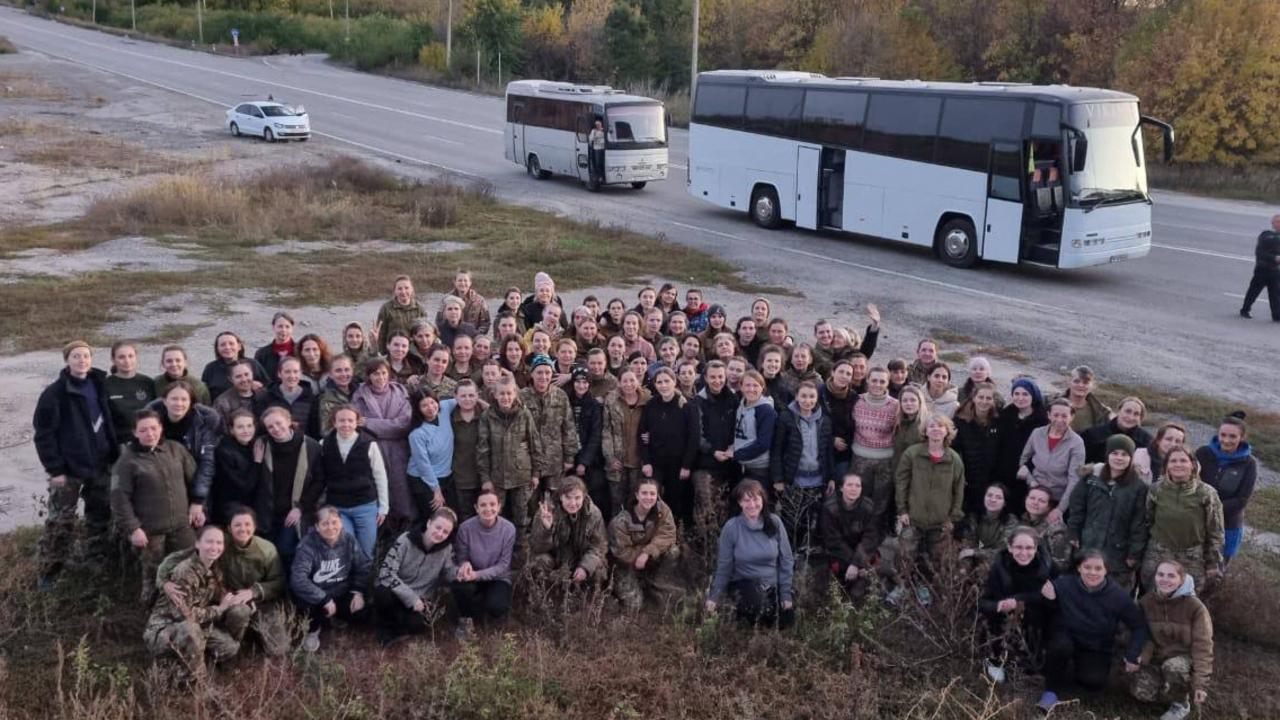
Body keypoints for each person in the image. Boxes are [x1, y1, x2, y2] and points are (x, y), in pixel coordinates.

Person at [33, 341, 120, 586]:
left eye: (86, 355)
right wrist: (55, 469)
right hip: (68, 470)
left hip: (100, 465)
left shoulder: (99, 384)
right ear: (67, 360)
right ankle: (50, 570)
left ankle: (96, 561)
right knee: (61, 521)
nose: (82, 360)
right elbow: (43, 434)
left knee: (99, 515)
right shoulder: (55, 393)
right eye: (75, 356)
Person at [157, 507, 290, 657]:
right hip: (231, 599)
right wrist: (164, 582)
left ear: (255, 527)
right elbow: (172, 560)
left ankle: (253, 631)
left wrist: (254, 592)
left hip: (261, 602)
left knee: (279, 649)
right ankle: (230, 648)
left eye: (247, 524)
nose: (243, 529)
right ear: (229, 528)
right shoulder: (219, 543)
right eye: (237, 525)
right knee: (239, 612)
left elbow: (279, 582)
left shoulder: (267, 549)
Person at [1037, 550, 1148, 712]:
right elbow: (1043, 609)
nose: (1092, 572)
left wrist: (1133, 654)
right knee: (1060, 646)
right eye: (1087, 567)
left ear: (1106, 570)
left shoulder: (1118, 595)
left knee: (1093, 682)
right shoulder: (1064, 584)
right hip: (1067, 638)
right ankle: (1051, 690)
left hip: (1096, 646)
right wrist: (1049, 599)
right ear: (1078, 568)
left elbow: (1139, 625)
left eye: (1098, 568)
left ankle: (1069, 671)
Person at [111, 410, 197, 603]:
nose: (149, 433)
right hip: (150, 532)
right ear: (135, 432)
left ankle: (187, 607)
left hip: (182, 526)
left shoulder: (176, 449)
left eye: (153, 428)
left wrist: (198, 505)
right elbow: (119, 499)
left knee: (189, 568)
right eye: (143, 430)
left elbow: (195, 481)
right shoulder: (126, 461)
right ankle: (149, 610)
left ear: (161, 428)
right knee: (153, 576)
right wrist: (133, 529)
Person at [144, 525, 245, 675]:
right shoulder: (184, 572)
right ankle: (196, 682)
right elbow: (186, 615)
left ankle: (199, 658)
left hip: (198, 626)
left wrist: (236, 599)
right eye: (209, 542)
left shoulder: (214, 569)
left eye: (219, 543)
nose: (214, 547)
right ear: (198, 544)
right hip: (167, 629)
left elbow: (219, 594)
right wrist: (220, 609)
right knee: (190, 630)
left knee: (230, 648)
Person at [892, 412, 965, 606]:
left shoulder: (954, 459)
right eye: (931, 426)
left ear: (947, 432)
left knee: (933, 558)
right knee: (905, 553)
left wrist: (953, 517)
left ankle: (923, 587)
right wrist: (902, 510)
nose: (936, 429)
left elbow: (959, 490)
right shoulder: (913, 453)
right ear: (925, 430)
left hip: (940, 521)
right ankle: (902, 585)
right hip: (913, 518)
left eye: (940, 426)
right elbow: (901, 482)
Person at [300, 405, 389, 559]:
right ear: (334, 422)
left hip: (365, 505)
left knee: (367, 552)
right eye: (341, 420)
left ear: (357, 422)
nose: (346, 424)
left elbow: (380, 476)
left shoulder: (369, 444)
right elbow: (320, 478)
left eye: (350, 420)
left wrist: (383, 507)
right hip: (338, 507)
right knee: (347, 550)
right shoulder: (324, 444)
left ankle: (364, 582)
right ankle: (346, 582)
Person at [705, 479, 795, 629]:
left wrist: (785, 593)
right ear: (740, 503)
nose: (752, 505)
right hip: (744, 583)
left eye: (755, 499)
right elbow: (724, 565)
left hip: (772, 584)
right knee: (760, 608)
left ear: (763, 500)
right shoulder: (732, 527)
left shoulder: (775, 522)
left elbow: (786, 559)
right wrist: (714, 597)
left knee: (787, 620)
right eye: (746, 500)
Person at [1130, 561, 1214, 720]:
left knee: (1173, 668)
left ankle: (1181, 704)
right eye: (1160, 574)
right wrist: (1143, 656)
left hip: (1184, 658)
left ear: (1181, 580)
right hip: (1158, 655)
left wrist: (1201, 684)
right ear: (1155, 577)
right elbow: (1143, 634)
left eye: (1171, 576)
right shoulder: (1146, 602)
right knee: (1141, 693)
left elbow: (1203, 647)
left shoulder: (1196, 607)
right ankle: (1168, 686)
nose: (1165, 579)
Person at [1066, 435, 1148, 590]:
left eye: (1124, 455)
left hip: (1118, 554)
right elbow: (1077, 508)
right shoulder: (1090, 479)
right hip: (1090, 545)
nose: (1119, 458)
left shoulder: (1138, 487)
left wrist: (1134, 554)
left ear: (1131, 458)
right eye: (1115, 453)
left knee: (1114, 595)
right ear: (1107, 455)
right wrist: (1074, 533)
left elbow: (1139, 523)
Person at [978, 527, 1054, 685]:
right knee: (990, 615)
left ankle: (1036, 657)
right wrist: (999, 605)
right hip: (1006, 619)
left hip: (1038, 620)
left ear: (1036, 548)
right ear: (1010, 548)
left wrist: (1019, 600)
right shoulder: (999, 568)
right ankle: (994, 660)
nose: (1024, 553)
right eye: (1019, 547)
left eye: (1029, 548)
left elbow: (1057, 596)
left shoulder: (1047, 566)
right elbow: (984, 602)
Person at [291, 506, 372, 653]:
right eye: (325, 524)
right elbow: (298, 579)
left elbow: (362, 566)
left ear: (341, 523)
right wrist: (324, 598)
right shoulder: (307, 545)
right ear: (317, 527)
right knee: (307, 607)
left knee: (362, 612)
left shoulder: (349, 540)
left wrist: (358, 592)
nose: (331, 527)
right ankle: (313, 630)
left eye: (334, 522)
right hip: (317, 596)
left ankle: (335, 617)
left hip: (341, 590)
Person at [1143, 446, 1225, 589]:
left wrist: (1213, 563)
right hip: (1158, 554)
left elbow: (1216, 532)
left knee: (1187, 598)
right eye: (1173, 461)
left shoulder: (1207, 493)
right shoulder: (1156, 489)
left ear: (1192, 464)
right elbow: (1147, 520)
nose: (1178, 464)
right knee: (1153, 594)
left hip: (1192, 557)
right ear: (1167, 465)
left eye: (1183, 460)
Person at [374, 508, 458, 645]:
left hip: (422, 600)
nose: (440, 533)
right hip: (399, 593)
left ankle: (398, 626)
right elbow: (386, 573)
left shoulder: (446, 549)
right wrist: (411, 598)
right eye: (438, 527)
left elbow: (448, 572)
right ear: (429, 523)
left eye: (445, 532)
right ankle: (386, 629)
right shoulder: (405, 540)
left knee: (418, 625)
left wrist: (459, 573)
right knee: (381, 593)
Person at [771, 381, 834, 557]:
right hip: (794, 479)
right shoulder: (786, 417)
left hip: (817, 479)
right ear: (797, 397)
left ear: (817, 398)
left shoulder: (824, 419)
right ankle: (786, 552)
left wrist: (831, 477)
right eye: (804, 396)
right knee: (791, 519)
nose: (808, 400)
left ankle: (801, 552)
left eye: (812, 396)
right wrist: (778, 479)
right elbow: (777, 450)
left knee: (809, 518)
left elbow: (828, 451)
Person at [145, 381, 221, 526]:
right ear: (164, 401)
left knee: (195, 526)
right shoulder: (150, 423)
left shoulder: (204, 422)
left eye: (184, 399)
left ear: (191, 402)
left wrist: (199, 501)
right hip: (159, 485)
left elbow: (206, 464)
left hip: (194, 481)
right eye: (174, 399)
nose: (179, 403)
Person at [350, 358, 414, 529]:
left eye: (383, 373)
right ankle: (381, 530)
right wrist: (388, 425)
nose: (380, 377)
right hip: (372, 450)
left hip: (398, 451)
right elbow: (356, 424)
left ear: (389, 374)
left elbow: (403, 424)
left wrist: (370, 423)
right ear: (369, 376)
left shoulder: (400, 392)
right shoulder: (360, 396)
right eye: (375, 373)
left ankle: (403, 528)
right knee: (377, 488)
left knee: (400, 490)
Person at [477, 376, 543, 540]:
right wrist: (485, 478)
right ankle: (496, 547)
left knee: (521, 515)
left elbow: (534, 443)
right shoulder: (487, 416)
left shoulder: (524, 414)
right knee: (495, 514)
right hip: (496, 476)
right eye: (502, 394)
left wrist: (536, 473)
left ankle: (520, 550)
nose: (505, 397)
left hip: (522, 475)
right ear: (495, 395)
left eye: (509, 393)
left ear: (515, 394)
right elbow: (482, 449)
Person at [609, 477, 684, 611]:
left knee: (673, 551)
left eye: (652, 494)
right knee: (634, 606)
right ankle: (615, 590)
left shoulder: (663, 510)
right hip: (625, 565)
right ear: (637, 495)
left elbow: (668, 534)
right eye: (644, 493)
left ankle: (657, 581)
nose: (648, 497)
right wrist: (640, 556)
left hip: (649, 558)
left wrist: (647, 553)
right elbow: (621, 552)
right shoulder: (621, 521)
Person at [639, 367, 701, 528]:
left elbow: (693, 438)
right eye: (659, 382)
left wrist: (687, 465)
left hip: (679, 464)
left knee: (678, 501)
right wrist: (646, 462)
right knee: (654, 500)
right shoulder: (651, 405)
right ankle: (655, 532)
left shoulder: (687, 405)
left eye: (667, 381)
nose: (663, 385)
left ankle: (680, 536)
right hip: (656, 463)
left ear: (675, 382)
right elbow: (642, 435)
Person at [260, 406, 320, 568]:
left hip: (295, 511)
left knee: (286, 549)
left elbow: (319, 481)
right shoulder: (262, 446)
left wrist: (300, 508)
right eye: (270, 427)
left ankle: (292, 589)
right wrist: (257, 462)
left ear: (288, 421)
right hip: (268, 512)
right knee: (270, 554)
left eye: (279, 423)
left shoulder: (310, 446)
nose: (276, 429)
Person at [1194, 412, 1256, 567]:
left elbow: (1242, 500)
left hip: (1227, 526)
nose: (1226, 440)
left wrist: (1210, 509)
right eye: (1223, 435)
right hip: (1196, 522)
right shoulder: (1202, 453)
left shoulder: (1249, 464)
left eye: (1233, 436)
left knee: (1215, 573)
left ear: (1241, 437)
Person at [452, 487, 517, 632]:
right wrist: (465, 565)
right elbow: (461, 558)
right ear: (476, 508)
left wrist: (478, 575)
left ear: (499, 507)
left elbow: (504, 565)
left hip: (498, 578)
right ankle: (466, 619)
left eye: (492, 504)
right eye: (483, 505)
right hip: (472, 576)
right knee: (459, 585)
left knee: (497, 607)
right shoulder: (465, 528)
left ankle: (488, 610)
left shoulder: (509, 529)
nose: (488, 509)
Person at [529, 478, 609, 587]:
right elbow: (536, 547)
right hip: (555, 559)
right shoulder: (547, 512)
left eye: (577, 498)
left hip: (580, 558)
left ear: (584, 496)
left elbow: (598, 547)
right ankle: (545, 595)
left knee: (598, 567)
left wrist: (585, 567)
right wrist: (546, 529)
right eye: (568, 497)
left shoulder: (593, 514)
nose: (573, 503)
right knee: (538, 562)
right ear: (560, 496)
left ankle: (588, 599)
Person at [521, 354, 580, 503]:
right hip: (529, 462)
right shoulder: (522, 397)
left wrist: (569, 457)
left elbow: (569, 427)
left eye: (547, 372)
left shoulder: (560, 396)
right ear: (532, 374)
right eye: (539, 372)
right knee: (530, 502)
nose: (543, 376)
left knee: (555, 501)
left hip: (555, 460)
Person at [818, 472, 881, 602]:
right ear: (841, 488)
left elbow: (870, 537)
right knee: (832, 588)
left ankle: (862, 587)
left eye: (858, 486)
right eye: (850, 485)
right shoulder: (829, 508)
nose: (854, 489)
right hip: (839, 553)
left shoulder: (868, 507)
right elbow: (833, 540)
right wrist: (852, 563)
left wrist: (857, 563)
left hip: (861, 554)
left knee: (860, 590)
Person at [694, 360, 739, 530]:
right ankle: (705, 544)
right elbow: (697, 434)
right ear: (705, 378)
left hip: (729, 461)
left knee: (725, 506)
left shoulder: (733, 399)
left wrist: (734, 446)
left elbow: (739, 426)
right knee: (705, 506)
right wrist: (713, 451)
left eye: (720, 376)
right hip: (705, 463)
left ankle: (723, 544)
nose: (717, 381)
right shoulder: (698, 401)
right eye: (712, 377)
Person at [1018, 398, 1086, 511]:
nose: (1059, 419)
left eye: (1064, 416)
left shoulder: (1077, 442)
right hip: (1033, 492)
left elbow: (1074, 479)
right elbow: (1024, 459)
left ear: (1072, 417)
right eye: (1056, 415)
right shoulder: (1037, 433)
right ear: (1049, 415)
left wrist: (1060, 509)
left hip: (1057, 499)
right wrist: (1031, 481)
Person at [209, 409, 270, 529]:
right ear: (232, 430)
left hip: (253, 505)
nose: (246, 431)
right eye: (240, 427)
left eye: (249, 426)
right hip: (231, 508)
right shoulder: (224, 451)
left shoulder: (255, 445)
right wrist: (257, 462)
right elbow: (243, 486)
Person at [994, 377, 1047, 511]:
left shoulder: (1042, 420)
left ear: (1033, 396)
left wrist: (1028, 466)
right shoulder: (1006, 415)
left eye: (1025, 394)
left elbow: (1043, 450)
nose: (1020, 398)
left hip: (1027, 474)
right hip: (1003, 471)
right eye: (1016, 394)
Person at [407, 388, 460, 517]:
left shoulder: (444, 408)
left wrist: (485, 405)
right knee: (436, 518)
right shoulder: (417, 434)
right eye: (424, 405)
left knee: (453, 516)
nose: (430, 408)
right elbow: (423, 465)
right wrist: (436, 490)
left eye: (432, 402)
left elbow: (464, 399)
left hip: (445, 475)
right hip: (423, 480)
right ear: (417, 409)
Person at [952, 381, 1002, 515]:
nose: (984, 401)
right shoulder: (960, 421)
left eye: (988, 398)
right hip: (967, 478)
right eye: (981, 397)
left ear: (993, 400)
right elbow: (955, 450)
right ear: (974, 398)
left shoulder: (998, 421)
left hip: (990, 479)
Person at [566, 368, 608, 518]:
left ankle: (595, 523)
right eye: (578, 382)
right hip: (569, 457)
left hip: (590, 459)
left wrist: (584, 462)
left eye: (585, 382)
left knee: (596, 490)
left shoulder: (594, 405)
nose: (581, 385)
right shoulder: (566, 401)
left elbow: (596, 436)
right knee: (570, 492)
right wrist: (569, 459)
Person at [104, 340, 155, 444]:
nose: (127, 361)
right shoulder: (105, 384)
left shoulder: (148, 382)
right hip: (119, 443)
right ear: (113, 360)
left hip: (147, 440)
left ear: (136, 357)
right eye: (121, 357)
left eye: (130, 356)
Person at [958, 483, 1017, 567]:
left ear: (1004, 503)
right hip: (977, 558)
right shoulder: (974, 518)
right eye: (989, 495)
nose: (993, 500)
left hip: (997, 562)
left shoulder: (1010, 521)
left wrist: (975, 552)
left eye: (998, 497)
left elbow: (1002, 551)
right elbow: (969, 544)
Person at [201, 331, 268, 405]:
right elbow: (204, 395)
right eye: (222, 345)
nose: (227, 347)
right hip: (222, 410)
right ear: (217, 349)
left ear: (239, 346)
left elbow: (268, 386)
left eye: (231, 343)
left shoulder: (253, 364)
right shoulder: (210, 368)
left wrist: (260, 386)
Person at [734, 370, 777, 485]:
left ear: (762, 387)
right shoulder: (742, 404)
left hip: (758, 468)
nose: (751, 389)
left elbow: (763, 443)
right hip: (742, 464)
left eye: (755, 385)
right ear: (741, 387)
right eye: (747, 385)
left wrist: (736, 454)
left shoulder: (766, 410)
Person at [263, 356, 321, 439]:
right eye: (287, 372)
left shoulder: (311, 398)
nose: (292, 376)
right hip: (275, 444)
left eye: (295, 372)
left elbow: (315, 429)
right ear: (279, 374)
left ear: (301, 373)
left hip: (303, 444)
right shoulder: (268, 397)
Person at [1082, 396, 1153, 464]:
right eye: (1127, 411)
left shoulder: (1147, 441)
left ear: (1140, 418)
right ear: (1118, 411)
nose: (1131, 417)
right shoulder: (1093, 434)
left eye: (1136, 414)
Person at [1022, 486, 1073, 573]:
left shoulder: (1056, 529)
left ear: (1049, 507)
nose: (1035, 503)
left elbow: (1061, 565)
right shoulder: (1022, 523)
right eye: (1032, 498)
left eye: (1041, 501)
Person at [1239, 213, 1280, 320]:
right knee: (1253, 291)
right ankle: (1245, 310)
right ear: (1273, 223)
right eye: (1278, 222)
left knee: (1275, 294)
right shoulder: (1266, 235)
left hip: (1275, 270)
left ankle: (1276, 315)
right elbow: (1260, 252)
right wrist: (1274, 258)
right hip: (1262, 269)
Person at [373, 276, 426, 355]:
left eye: (406, 288)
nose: (403, 291)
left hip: (414, 353)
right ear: (395, 291)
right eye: (400, 288)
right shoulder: (386, 309)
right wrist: (382, 354)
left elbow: (424, 333)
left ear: (412, 290)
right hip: (393, 351)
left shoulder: (419, 309)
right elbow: (381, 334)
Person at [212, 360, 268, 429]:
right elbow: (219, 429)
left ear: (252, 374)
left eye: (247, 374)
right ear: (231, 379)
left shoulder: (264, 394)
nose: (244, 379)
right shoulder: (222, 403)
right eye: (238, 376)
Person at [1058, 365, 1111, 434]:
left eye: (1085, 382)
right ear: (1069, 382)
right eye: (1076, 381)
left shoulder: (1101, 413)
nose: (1081, 385)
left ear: (1093, 385)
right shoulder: (1050, 403)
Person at [1133, 422, 1186, 486]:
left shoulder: (1189, 463)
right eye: (1168, 439)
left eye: (1178, 441)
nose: (1172, 444)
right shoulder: (1140, 456)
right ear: (1158, 440)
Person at [439, 269, 491, 335]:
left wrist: (476, 336)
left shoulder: (480, 300)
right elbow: (439, 320)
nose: (463, 283)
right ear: (455, 282)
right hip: (451, 337)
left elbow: (486, 323)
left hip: (473, 338)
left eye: (465, 280)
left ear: (470, 282)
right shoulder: (446, 299)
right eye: (460, 280)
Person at [318, 355, 359, 436]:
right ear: (330, 374)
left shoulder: (361, 391)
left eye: (347, 370)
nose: (343, 374)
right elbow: (326, 430)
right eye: (338, 370)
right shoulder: (325, 398)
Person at [253, 311, 297, 382]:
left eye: (287, 327)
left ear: (292, 328)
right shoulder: (261, 354)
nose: (284, 330)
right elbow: (256, 377)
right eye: (280, 326)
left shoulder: (300, 350)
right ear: (273, 327)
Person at [588, 118, 606, 186]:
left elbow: (608, 138)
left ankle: (603, 176)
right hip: (597, 149)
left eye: (599, 124)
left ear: (601, 124)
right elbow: (590, 139)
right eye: (596, 125)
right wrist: (595, 136)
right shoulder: (594, 131)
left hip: (604, 149)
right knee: (597, 163)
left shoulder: (604, 130)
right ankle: (599, 176)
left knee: (603, 163)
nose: (597, 126)